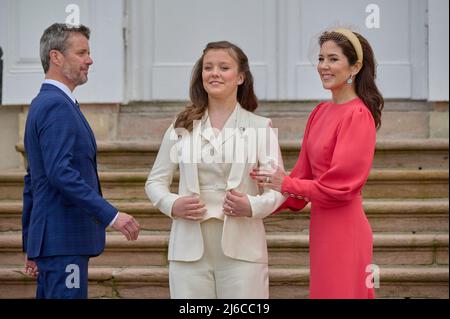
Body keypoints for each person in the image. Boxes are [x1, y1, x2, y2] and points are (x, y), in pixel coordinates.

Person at [250, 28, 384, 299]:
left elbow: (340, 187)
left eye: (333, 59)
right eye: (321, 59)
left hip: (346, 231)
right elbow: (303, 177)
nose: (323, 66)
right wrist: (255, 203)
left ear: (355, 66)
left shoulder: (358, 116)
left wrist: (284, 182)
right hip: (322, 229)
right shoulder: (320, 112)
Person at [145, 41, 285, 299]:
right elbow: (155, 182)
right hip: (188, 249)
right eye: (208, 67)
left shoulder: (260, 127)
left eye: (224, 67)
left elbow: (279, 188)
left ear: (240, 77)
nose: (214, 73)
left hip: (243, 249)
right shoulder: (181, 125)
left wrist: (252, 206)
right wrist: (172, 204)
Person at [22, 23, 140, 299]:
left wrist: (32, 245)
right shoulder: (56, 106)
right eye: (82, 52)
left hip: (52, 244)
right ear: (56, 57)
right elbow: (59, 173)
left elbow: (33, 182)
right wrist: (111, 215)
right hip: (64, 241)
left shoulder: (47, 103)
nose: (90, 59)